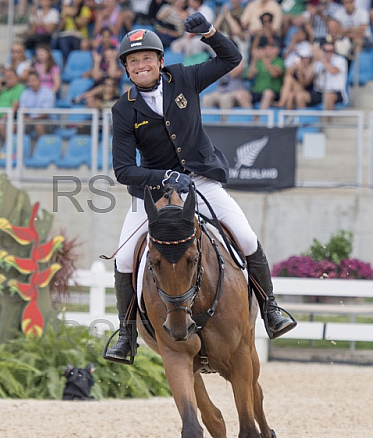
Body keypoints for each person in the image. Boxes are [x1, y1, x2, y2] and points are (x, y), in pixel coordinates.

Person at [104, 22, 296, 364]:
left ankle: (270, 308)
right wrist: (163, 176)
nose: (140, 65)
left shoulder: (184, 78)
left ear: (160, 61)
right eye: (133, 61)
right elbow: (123, 170)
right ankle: (126, 334)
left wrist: (208, 32)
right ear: (126, 68)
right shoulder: (123, 109)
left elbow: (231, 58)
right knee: (123, 257)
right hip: (154, 190)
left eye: (147, 57)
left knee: (247, 237)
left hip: (201, 180)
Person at [0, 68, 25, 143]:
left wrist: (3, 119)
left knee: (1, 126)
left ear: (16, 77)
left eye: (10, 77)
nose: (8, 79)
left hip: (10, 118)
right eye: (6, 77)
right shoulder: (2, 89)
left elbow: (14, 107)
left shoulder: (19, 88)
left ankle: (6, 149)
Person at [246, 38, 284, 112]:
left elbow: (274, 74)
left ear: (277, 50)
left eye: (270, 48)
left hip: (273, 93)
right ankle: (252, 118)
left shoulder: (279, 61)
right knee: (242, 95)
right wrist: (254, 59)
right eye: (266, 48)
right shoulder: (259, 62)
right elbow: (250, 75)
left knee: (268, 93)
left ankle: (261, 117)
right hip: (257, 92)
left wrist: (263, 58)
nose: (267, 50)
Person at [310, 38, 348, 112]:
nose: (329, 53)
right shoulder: (318, 61)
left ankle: (328, 123)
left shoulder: (341, 60)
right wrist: (314, 60)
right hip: (320, 91)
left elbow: (333, 71)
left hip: (336, 92)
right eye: (326, 51)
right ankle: (301, 121)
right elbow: (308, 77)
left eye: (331, 51)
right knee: (301, 96)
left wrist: (321, 59)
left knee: (329, 96)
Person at [18, 70, 56, 138]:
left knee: (38, 125)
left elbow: (45, 113)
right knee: (16, 126)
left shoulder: (48, 93)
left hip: (47, 120)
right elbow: (22, 111)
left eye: (33, 80)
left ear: (39, 80)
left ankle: (41, 148)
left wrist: (32, 120)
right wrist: (26, 119)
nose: (31, 83)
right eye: (29, 81)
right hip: (30, 120)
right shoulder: (25, 93)